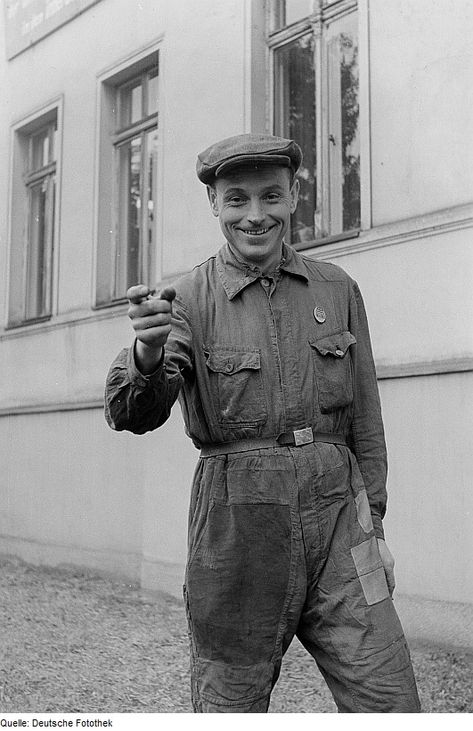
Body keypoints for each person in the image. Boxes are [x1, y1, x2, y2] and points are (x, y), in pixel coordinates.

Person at [104, 133, 421, 713]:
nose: (255, 216)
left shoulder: (338, 289)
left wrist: (374, 526)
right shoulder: (188, 299)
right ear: (215, 206)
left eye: (270, 197)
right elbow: (132, 413)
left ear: (293, 197)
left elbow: (366, 423)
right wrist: (146, 357)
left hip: (340, 525)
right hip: (237, 532)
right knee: (231, 702)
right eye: (237, 200)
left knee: (391, 700)